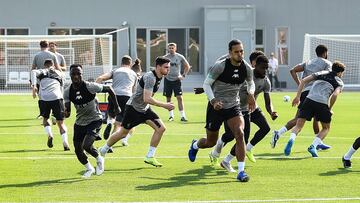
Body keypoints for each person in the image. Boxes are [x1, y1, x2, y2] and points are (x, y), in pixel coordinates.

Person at [188, 39, 255, 182]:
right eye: (236, 52)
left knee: (240, 134)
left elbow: (251, 83)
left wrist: (250, 93)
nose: (239, 54)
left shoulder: (247, 68)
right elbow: (206, 84)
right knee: (210, 142)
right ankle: (195, 145)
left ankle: (241, 172)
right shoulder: (220, 66)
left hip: (233, 106)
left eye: (241, 51)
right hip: (216, 107)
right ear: (230, 53)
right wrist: (213, 101)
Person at [99, 56, 174, 167]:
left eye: (168, 67)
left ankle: (150, 156)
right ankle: (103, 150)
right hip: (133, 109)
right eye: (166, 67)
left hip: (144, 109)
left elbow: (147, 99)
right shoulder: (150, 77)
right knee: (123, 133)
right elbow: (147, 98)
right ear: (158, 67)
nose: (168, 69)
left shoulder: (160, 76)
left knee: (161, 128)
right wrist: (165, 105)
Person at [209, 52, 278, 172]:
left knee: (264, 128)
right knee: (231, 136)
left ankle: (236, 155)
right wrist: (206, 89)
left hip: (251, 108)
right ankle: (219, 147)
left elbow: (268, 102)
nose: (265, 71)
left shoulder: (266, 81)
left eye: (267, 68)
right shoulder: (244, 74)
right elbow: (224, 84)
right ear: (255, 66)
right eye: (263, 68)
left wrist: (272, 111)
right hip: (234, 107)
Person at [271, 45, 332, 155]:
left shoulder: (308, 62)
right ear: (325, 53)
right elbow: (329, 78)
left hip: (305, 92)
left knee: (305, 120)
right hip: (317, 93)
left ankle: (318, 142)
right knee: (303, 120)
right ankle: (278, 133)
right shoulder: (327, 63)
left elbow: (292, 70)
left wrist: (300, 85)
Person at [63, 64, 120, 178]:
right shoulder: (67, 91)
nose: (76, 76)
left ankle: (99, 159)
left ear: (82, 74)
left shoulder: (90, 86)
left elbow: (109, 89)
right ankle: (89, 169)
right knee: (78, 150)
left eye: (78, 73)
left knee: (87, 145)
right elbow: (68, 113)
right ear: (70, 75)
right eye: (73, 74)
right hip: (80, 122)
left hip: (95, 120)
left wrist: (116, 106)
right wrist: (62, 114)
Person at [290, 61, 345, 157]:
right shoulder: (339, 81)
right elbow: (335, 95)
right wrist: (329, 108)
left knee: (298, 125)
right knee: (326, 128)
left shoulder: (322, 73)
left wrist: (298, 96)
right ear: (340, 73)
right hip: (322, 103)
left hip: (308, 99)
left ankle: (291, 139)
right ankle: (313, 146)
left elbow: (303, 81)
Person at [96, 56, 138, 148]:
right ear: (130, 64)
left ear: (121, 62)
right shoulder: (133, 74)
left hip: (113, 95)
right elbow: (134, 91)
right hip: (126, 96)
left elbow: (100, 78)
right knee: (120, 124)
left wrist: (94, 91)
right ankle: (115, 144)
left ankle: (109, 122)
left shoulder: (116, 71)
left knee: (112, 116)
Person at [30, 59, 69, 150]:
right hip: (57, 97)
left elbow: (33, 71)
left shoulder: (43, 71)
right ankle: (65, 142)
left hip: (44, 98)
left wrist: (34, 86)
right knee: (61, 123)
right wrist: (62, 101)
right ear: (53, 65)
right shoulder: (60, 73)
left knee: (45, 119)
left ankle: (50, 135)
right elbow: (62, 87)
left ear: (44, 65)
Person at [163, 42, 191, 122]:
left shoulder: (179, 56)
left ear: (175, 48)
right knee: (168, 98)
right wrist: (163, 73)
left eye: (173, 48)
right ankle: (171, 116)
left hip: (177, 80)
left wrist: (183, 75)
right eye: (170, 48)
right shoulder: (165, 57)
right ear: (168, 49)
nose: (171, 49)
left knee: (179, 97)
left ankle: (183, 116)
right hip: (168, 80)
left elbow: (187, 66)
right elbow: (159, 67)